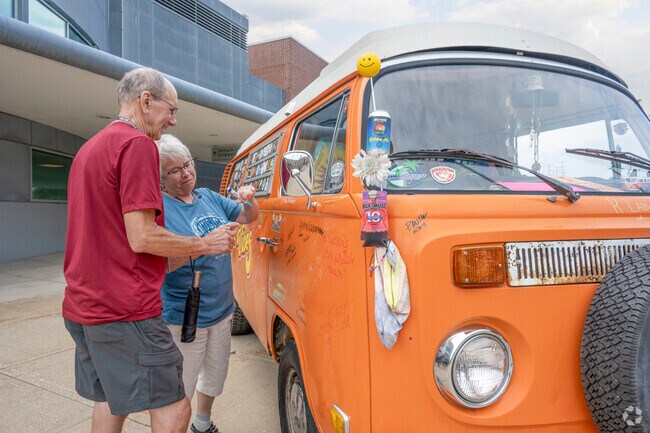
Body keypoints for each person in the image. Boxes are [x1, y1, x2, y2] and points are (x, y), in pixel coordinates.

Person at [62, 67, 237, 433]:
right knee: (174, 406)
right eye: (170, 110)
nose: (172, 121)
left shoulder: (88, 150)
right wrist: (206, 243)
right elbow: (142, 237)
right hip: (126, 308)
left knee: (111, 400)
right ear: (145, 101)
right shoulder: (139, 144)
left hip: (83, 305)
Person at [156, 134, 259, 433]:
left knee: (214, 376)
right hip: (185, 316)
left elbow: (249, 217)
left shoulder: (207, 196)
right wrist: (203, 244)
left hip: (222, 309)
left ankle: (201, 424)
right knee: (180, 389)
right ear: (160, 177)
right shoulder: (159, 207)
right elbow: (158, 264)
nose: (185, 173)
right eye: (174, 170)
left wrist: (249, 200)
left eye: (187, 164)